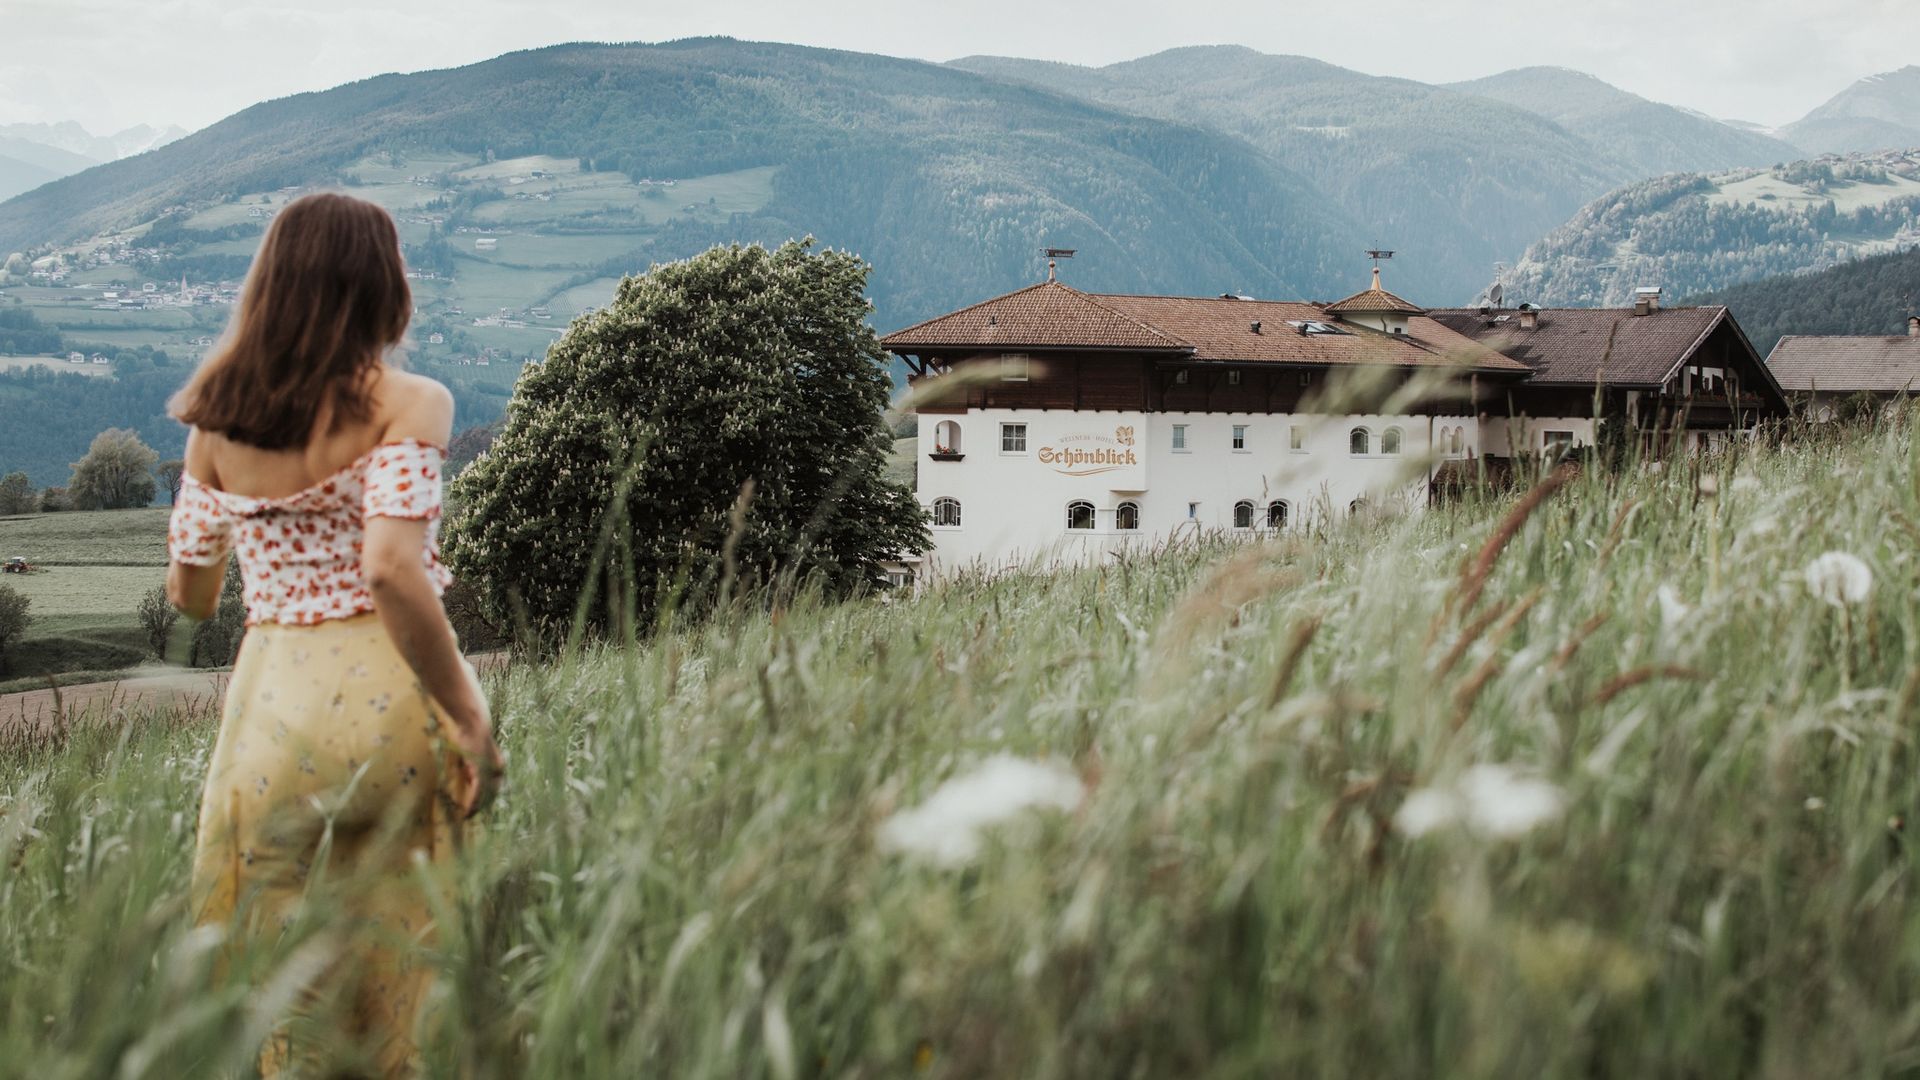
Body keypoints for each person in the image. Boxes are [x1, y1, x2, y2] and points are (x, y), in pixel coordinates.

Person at [166, 192, 504, 1076]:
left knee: (286, 976)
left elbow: (192, 597)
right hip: (390, 702)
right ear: (381, 286)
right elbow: (392, 568)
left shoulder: (212, 423)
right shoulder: (410, 402)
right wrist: (469, 714)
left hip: (269, 716)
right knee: (407, 958)